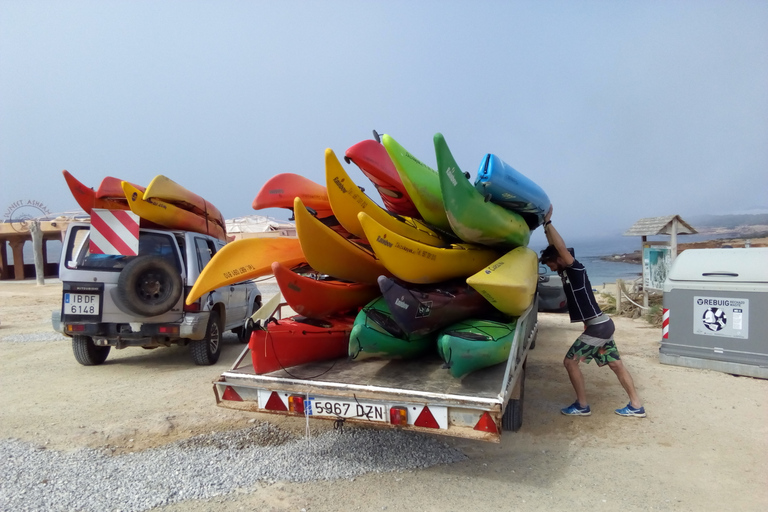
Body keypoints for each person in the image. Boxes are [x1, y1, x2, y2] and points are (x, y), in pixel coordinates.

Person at [540, 206, 646, 418]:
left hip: (598, 327)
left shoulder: (575, 269)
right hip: (600, 325)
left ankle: (582, 405)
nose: (550, 268)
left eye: (551, 264)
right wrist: (545, 228)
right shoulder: (564, 271)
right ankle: (636, 406)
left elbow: (559, 248)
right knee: (616, 364)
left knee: (570, 362)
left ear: (560, 259)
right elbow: (554, 248)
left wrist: (549, 223)